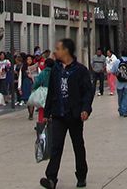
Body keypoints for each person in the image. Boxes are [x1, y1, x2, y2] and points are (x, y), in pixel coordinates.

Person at [40, 38, 94, 189]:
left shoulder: (80, 70)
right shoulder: (56, 70)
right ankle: (51, 178)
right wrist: (46, 112)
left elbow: (87, 93)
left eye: (58, 48)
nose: (55, 51)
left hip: (74, 114)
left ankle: (81, 175)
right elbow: (51, 92)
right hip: (58, 114)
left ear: (66, 51)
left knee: (78, 145)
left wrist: (85, 109)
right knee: (56, 146)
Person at [110, 49, 127, 117]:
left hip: (119, 84)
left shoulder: (117, 62)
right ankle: (125, 111)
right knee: (126, 97)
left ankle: (121, 110)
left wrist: (117, 75)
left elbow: (112, 71)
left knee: (120, 97)